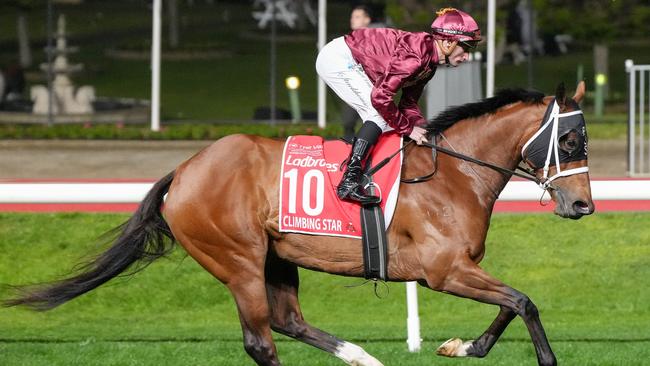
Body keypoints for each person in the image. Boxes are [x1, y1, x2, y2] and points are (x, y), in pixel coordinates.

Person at [316, 7, 481, 205]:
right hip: (338, 59)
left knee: (387, 122)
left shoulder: (429, 65)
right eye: (466, 47)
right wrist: (409, 128)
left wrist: (427, 131)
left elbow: (409, 104)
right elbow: (381, 98)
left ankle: (370, 176)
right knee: (377, 116)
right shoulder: (416, 56)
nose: (466, 56)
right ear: (447, 42)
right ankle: (348, 181)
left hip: (352, 59)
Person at [341, 5, 373, 140]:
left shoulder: (376, 40)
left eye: (357, 17)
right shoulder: (346, 41)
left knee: (374, 122)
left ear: (367, 20)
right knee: (348, 122)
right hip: (353, 87)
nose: (353, 20)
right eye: (352, 17)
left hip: (371, 88)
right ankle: (350, 154)